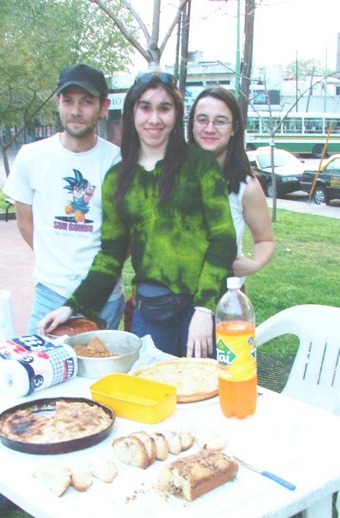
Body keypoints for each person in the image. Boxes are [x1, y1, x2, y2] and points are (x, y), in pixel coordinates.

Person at [0, 63, 125, 518]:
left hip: (104, 297)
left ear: (102, 107)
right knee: (33, 387)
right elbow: (27, 223)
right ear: (58, 103)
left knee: (97, 389)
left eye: (87, 101)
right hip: (49, 293)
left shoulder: (116, 161)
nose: (77, 109)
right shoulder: (31, 156)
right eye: (69, 100)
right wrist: (55, 271)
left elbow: (121, 239)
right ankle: (16, 488)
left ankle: (88, 474)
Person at [39, 70, 237, 359]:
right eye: (145, 107)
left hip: (201, 312)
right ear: (132, 112)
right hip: (151, 311)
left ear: (176, 114)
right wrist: (71, 306)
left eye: (164, 108)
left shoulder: (199, 165)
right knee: (148, 391)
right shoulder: (117, 179)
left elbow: (223, 239)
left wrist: (205, 309)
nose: (154, 119)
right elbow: (110, 257)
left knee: (204, 393)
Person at [188, 86, 274, 279]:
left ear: (234, 128)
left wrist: (254, 264)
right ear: (192, 124)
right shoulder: (172, 173)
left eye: (220, 122)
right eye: (202, 120)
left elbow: (265, 239)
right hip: (170, 298)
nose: (209, 129)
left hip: (222, 297)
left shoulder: (245, 187)